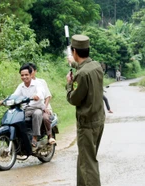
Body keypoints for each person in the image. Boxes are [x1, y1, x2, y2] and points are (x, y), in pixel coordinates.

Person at [65, 34, 105, 186]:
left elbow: (74, 99)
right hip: (98, 120)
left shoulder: (82, 74)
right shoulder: (96, 66)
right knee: (85, 159)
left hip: (87, 124)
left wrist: (69, 85)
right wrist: (74, 63)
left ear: (75, 52)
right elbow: (83, 67)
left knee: (88, 164)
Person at [7, 64, 45, 147]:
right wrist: (5, 100)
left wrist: (37, 96)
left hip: (37, 107)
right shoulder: (21, 86)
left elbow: (41, 93)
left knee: (37, 114)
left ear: (31, 75)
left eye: (26, 75)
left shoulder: (38, 84)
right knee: (15, 116)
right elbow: (15, 95)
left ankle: (35, 137)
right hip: (26, 109)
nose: (24, 77)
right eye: (22, 75)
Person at [27, 62, 56, 144]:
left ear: (35, 71)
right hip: (30, 107)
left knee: (45, 117)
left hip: (42, 106)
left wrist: (45, 107)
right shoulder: (25, 83)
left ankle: (50, 136)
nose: (29, 73)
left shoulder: (41, 82)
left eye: (31, 71)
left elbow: (47, 96)